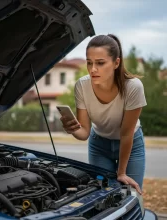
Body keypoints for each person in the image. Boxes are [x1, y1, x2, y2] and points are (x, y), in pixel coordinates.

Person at [60, 34, 147, 194]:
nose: (93, 69)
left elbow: (126, 134)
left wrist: (121, 173)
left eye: (100, 63)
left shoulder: (133, 87)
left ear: (116, 63)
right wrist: (72, 129)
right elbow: (84, 133)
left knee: (130, 193)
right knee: (104, 195)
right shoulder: (82, 86)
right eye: (89, 62)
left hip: (131, 144)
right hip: (98, 145)